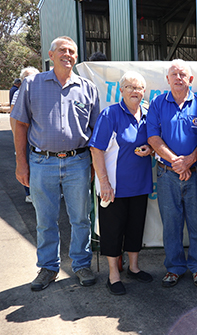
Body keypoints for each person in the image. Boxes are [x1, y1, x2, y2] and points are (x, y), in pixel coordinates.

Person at [11, 36, 100, 291]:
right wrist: (21, 163)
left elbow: (95, 132)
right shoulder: (32, 84)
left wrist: (94, 166)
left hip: (78, 162)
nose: (68, 54)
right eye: (62, 50)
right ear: (51, 55)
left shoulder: (87, 88)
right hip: (42, 162)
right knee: (45, 219)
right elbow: (21, 126)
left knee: (80, 218)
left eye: (72, 51)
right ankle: (48, 268)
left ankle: (81, 265)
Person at [89, 71, 154, 295]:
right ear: (121, 90)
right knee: (112, 231)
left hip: (140, 184)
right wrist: (104, 182)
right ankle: (113, 275)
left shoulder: (147, 114)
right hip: (114, 188)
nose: (135, 91)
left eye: (139, 88)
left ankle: (134, 268)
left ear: (144, 92)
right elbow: (96, 149)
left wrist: (151, 149)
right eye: (130, 87)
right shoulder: (110, 114)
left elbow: (155, 141)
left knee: (135, 228)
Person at [147, 59, 197, 288]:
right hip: (167, 174)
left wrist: (189, 161)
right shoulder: (157, 103)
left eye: (182, 74)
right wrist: (175, 162)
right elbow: (153, 137)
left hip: (196, 173)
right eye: (173, 74)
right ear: (167, 79)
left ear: (190, 79)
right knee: (171, 224)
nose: (178, 78)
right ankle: (174, 267)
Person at [10, 67, 40, 204]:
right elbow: (14, 118)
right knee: (25, 164)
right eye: (28, 77)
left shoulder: (42, 92)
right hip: (26, 137)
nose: (32, 80)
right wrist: (17, 137)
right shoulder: (18, 94)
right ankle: (29, 193)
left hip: (39, 139)